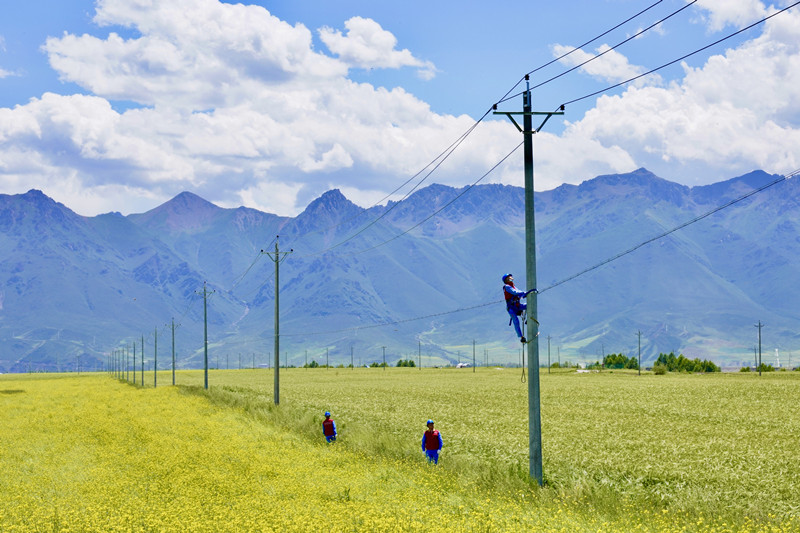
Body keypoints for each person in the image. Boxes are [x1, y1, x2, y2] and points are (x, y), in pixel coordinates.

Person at [502, 273, 536, 343]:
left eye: (510, 277)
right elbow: (515, 292)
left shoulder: (513, 286)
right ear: (506, 280)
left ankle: (528, 319)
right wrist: (524, 293)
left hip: (517, 305)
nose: (510, 278)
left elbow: (518, 291)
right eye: (508, 277)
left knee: (529, 305)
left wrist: (526, 294)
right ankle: (521, 337)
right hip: (511, 308)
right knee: (516, 321)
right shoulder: (507, 287)